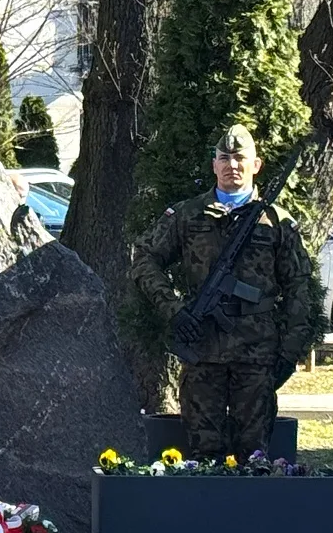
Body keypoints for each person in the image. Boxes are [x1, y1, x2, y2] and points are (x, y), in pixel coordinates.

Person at [133, 124, 313, 460]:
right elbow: (144, 257)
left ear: (256, 165)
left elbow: (299, 287)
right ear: (214, 165)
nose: (232, 165)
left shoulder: (277, 221)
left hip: (256, 353)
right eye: (224, 158)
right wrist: (173, 309)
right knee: (204, 453)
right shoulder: (187, 215)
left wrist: (288, 352)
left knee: (254, 453)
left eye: (240, 158)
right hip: (202, 351)